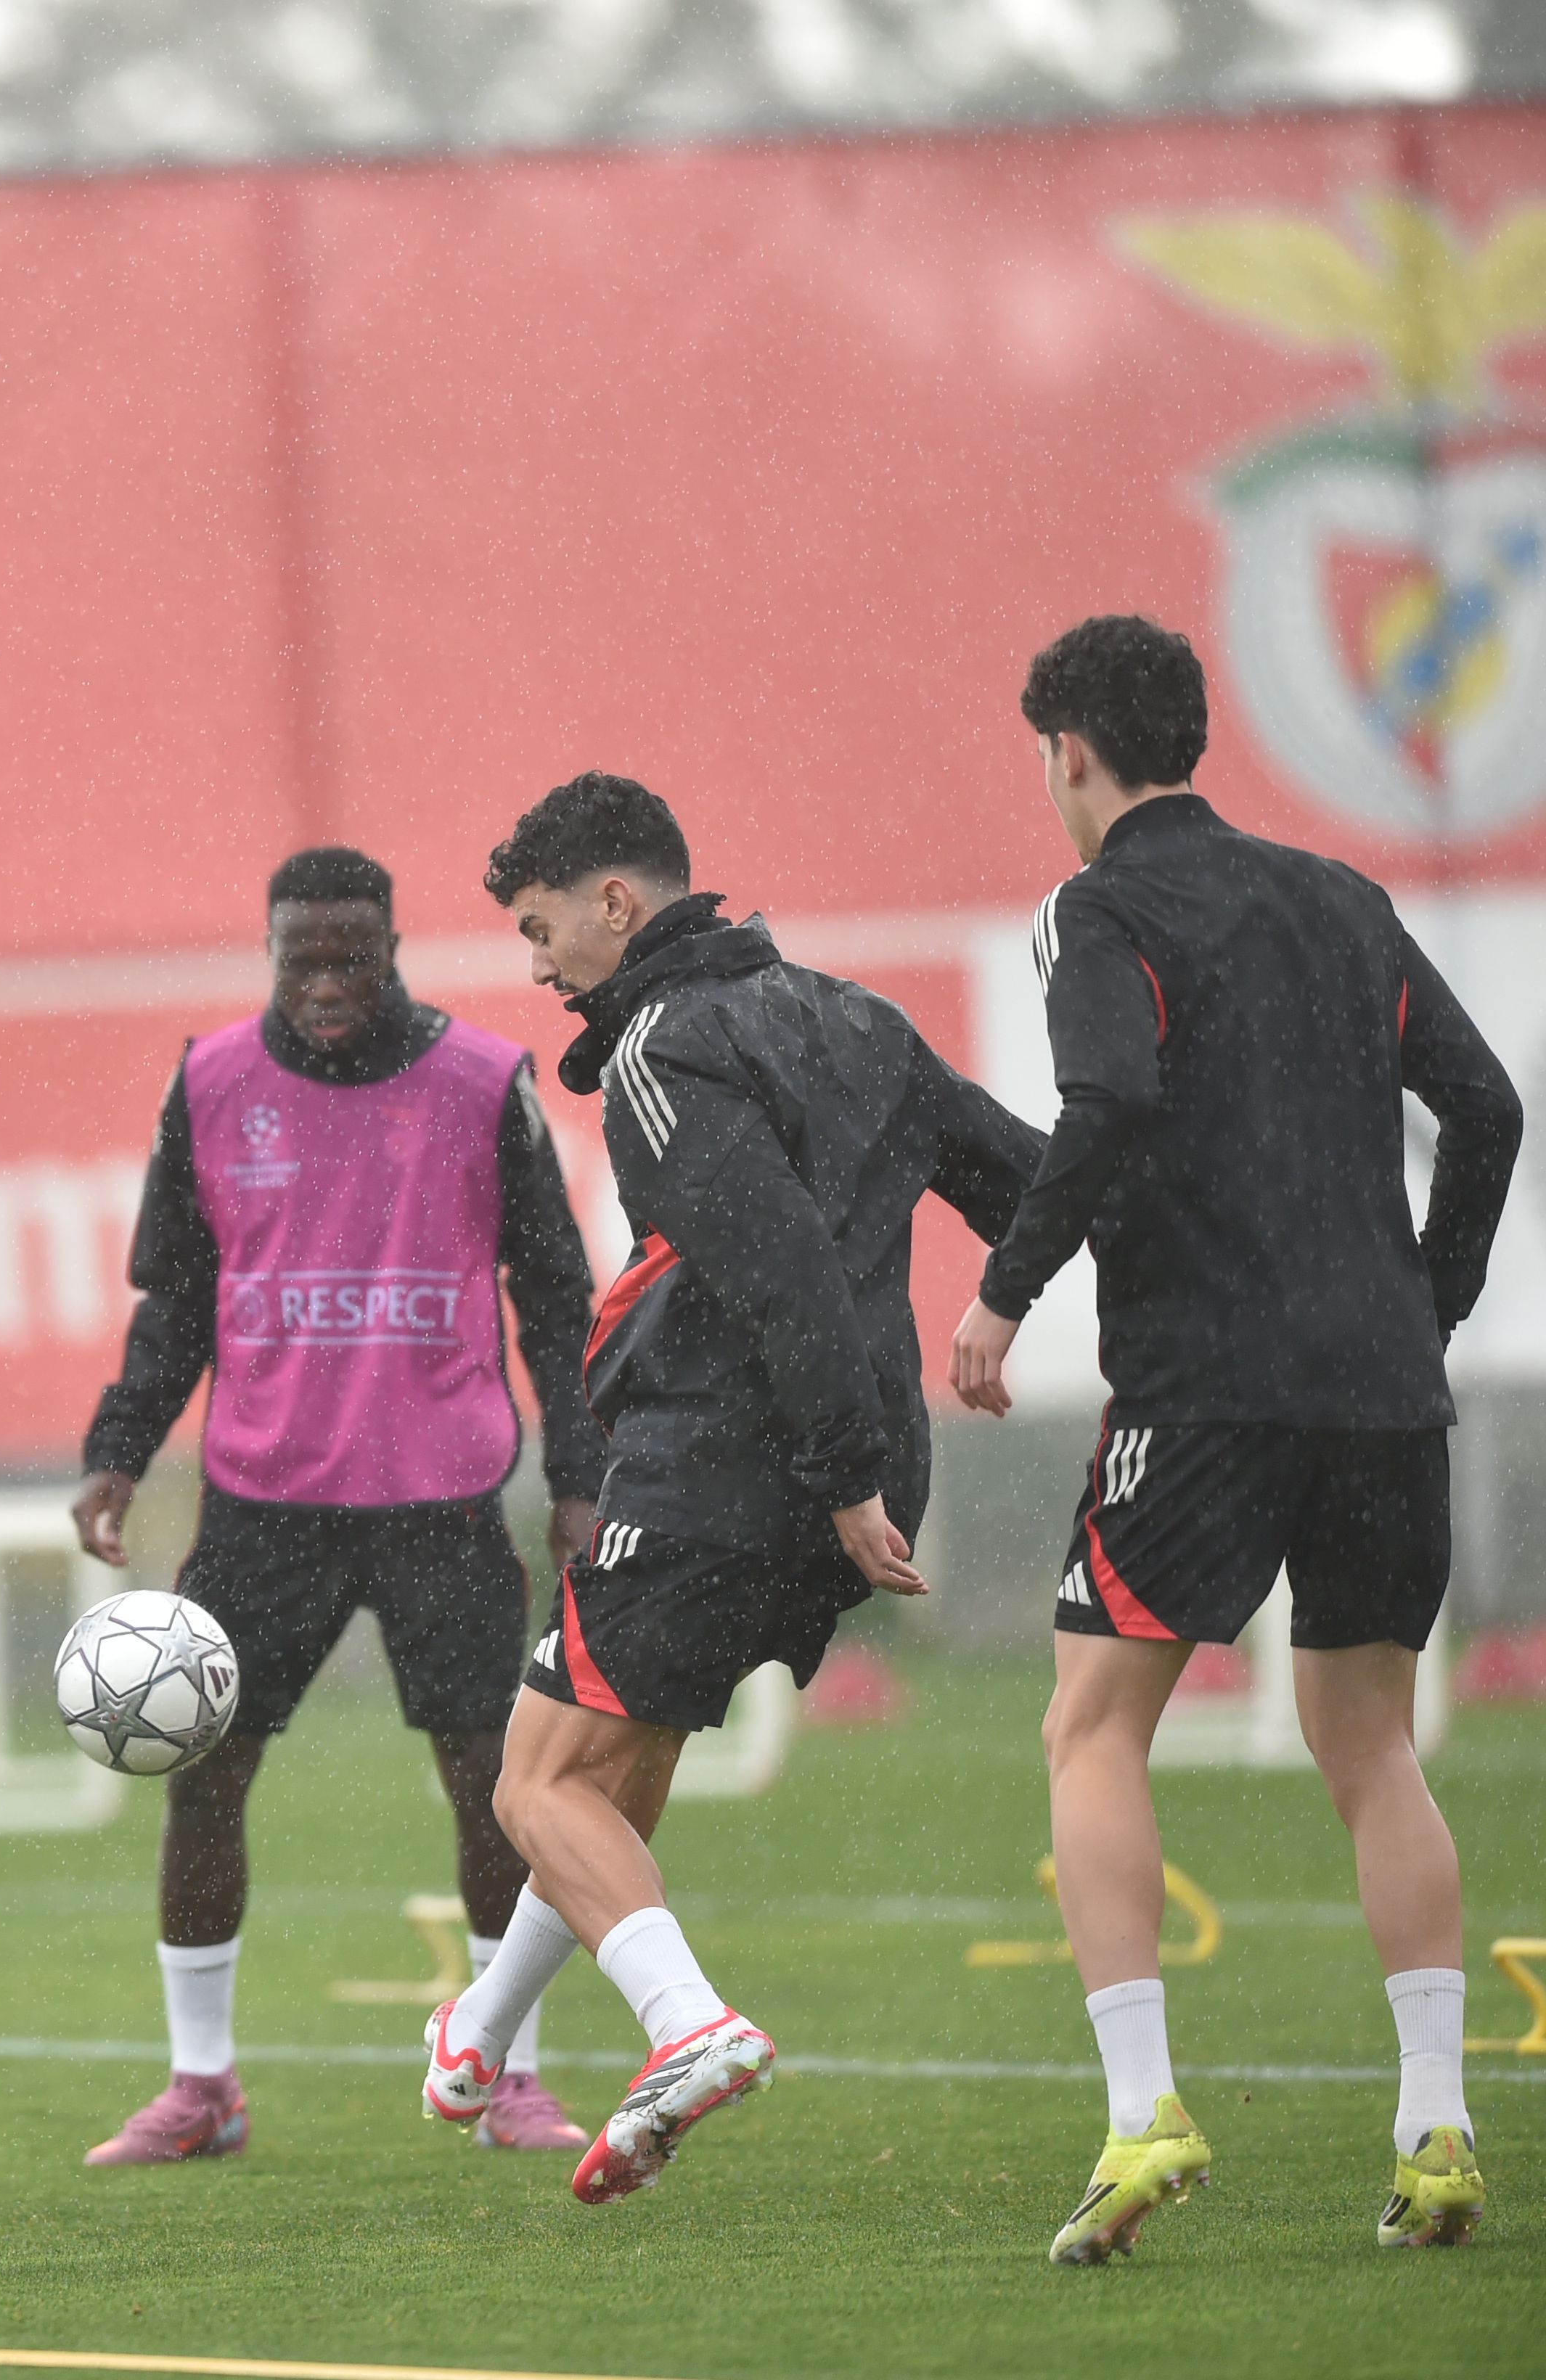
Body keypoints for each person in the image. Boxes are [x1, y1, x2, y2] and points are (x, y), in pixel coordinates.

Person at [948, 617, 1521, 2263]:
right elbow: (1485, 1107)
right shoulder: (1339, 895)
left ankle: (1141, 2110)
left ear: (1069, 751)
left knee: (1088, 1725)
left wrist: (1002, 1291)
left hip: (1202, 1389)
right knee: (1372, 1743)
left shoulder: (1101, 905)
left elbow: (1108, 1105)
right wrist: (1428, 1301)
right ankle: (1436, 2129)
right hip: (1381, 1391)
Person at [436, 774, 1041, 2206]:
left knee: (532, 1777)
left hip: (724, 1463)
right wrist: (992, 1313)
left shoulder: (659, 1043)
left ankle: (687, 2028)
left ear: (615, 903)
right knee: (603, 1762)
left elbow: (777, 1271)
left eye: (540, 930)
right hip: (858, 1462)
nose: (535, 967)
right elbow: (1027, 1179)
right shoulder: (854, 1014)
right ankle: (478, 2032)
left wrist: (833, 1473)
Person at [73, 846, 608, 2165]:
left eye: (348, 957)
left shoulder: (485, 1083)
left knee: (499, 1790)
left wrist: (585, 1476)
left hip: (445, 1497)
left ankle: (510, 2078)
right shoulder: (210, 1083)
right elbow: (177, 1305)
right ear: (271, 948)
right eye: (299, 957)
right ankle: (203, 2087)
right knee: (202, 1775)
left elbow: (555, 1300)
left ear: (390, 945)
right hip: (265, 1503)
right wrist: (119, 1450)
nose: (323, 982)